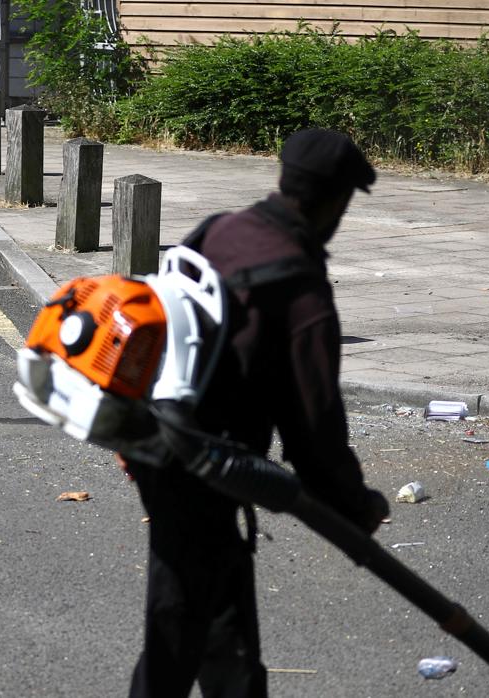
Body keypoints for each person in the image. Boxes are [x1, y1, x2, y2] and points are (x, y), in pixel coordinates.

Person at [125, 128, 390, 697]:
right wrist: (354, 505)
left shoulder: (221, 228)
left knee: (214, 626)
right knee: (178, 631)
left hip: (157, 442)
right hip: (203, 464)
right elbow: (313, 426)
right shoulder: (300, 288)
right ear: (335, 201)